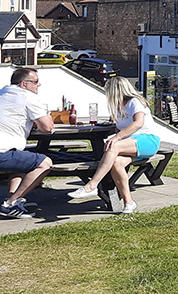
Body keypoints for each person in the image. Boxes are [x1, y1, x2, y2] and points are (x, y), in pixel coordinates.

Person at [0, 67, 54, 218]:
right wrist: (48, 115)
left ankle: (13, 198)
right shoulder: (28, 97)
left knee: (22, 160)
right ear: (24, 84)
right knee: (45, 163)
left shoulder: (3, 92)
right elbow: (47, 127)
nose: (38, 85)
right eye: (35, 82)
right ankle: (10, 204)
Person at [67, 77, 162, 214]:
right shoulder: (119, 107)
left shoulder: (134, 102)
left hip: (148, 140)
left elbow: (138, 123)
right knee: (117, 163)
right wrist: (116, 133)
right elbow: (123, 127)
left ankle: (92, 185)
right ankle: (128, 202)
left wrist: (117, 137)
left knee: (113, 146)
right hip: (133, 143)